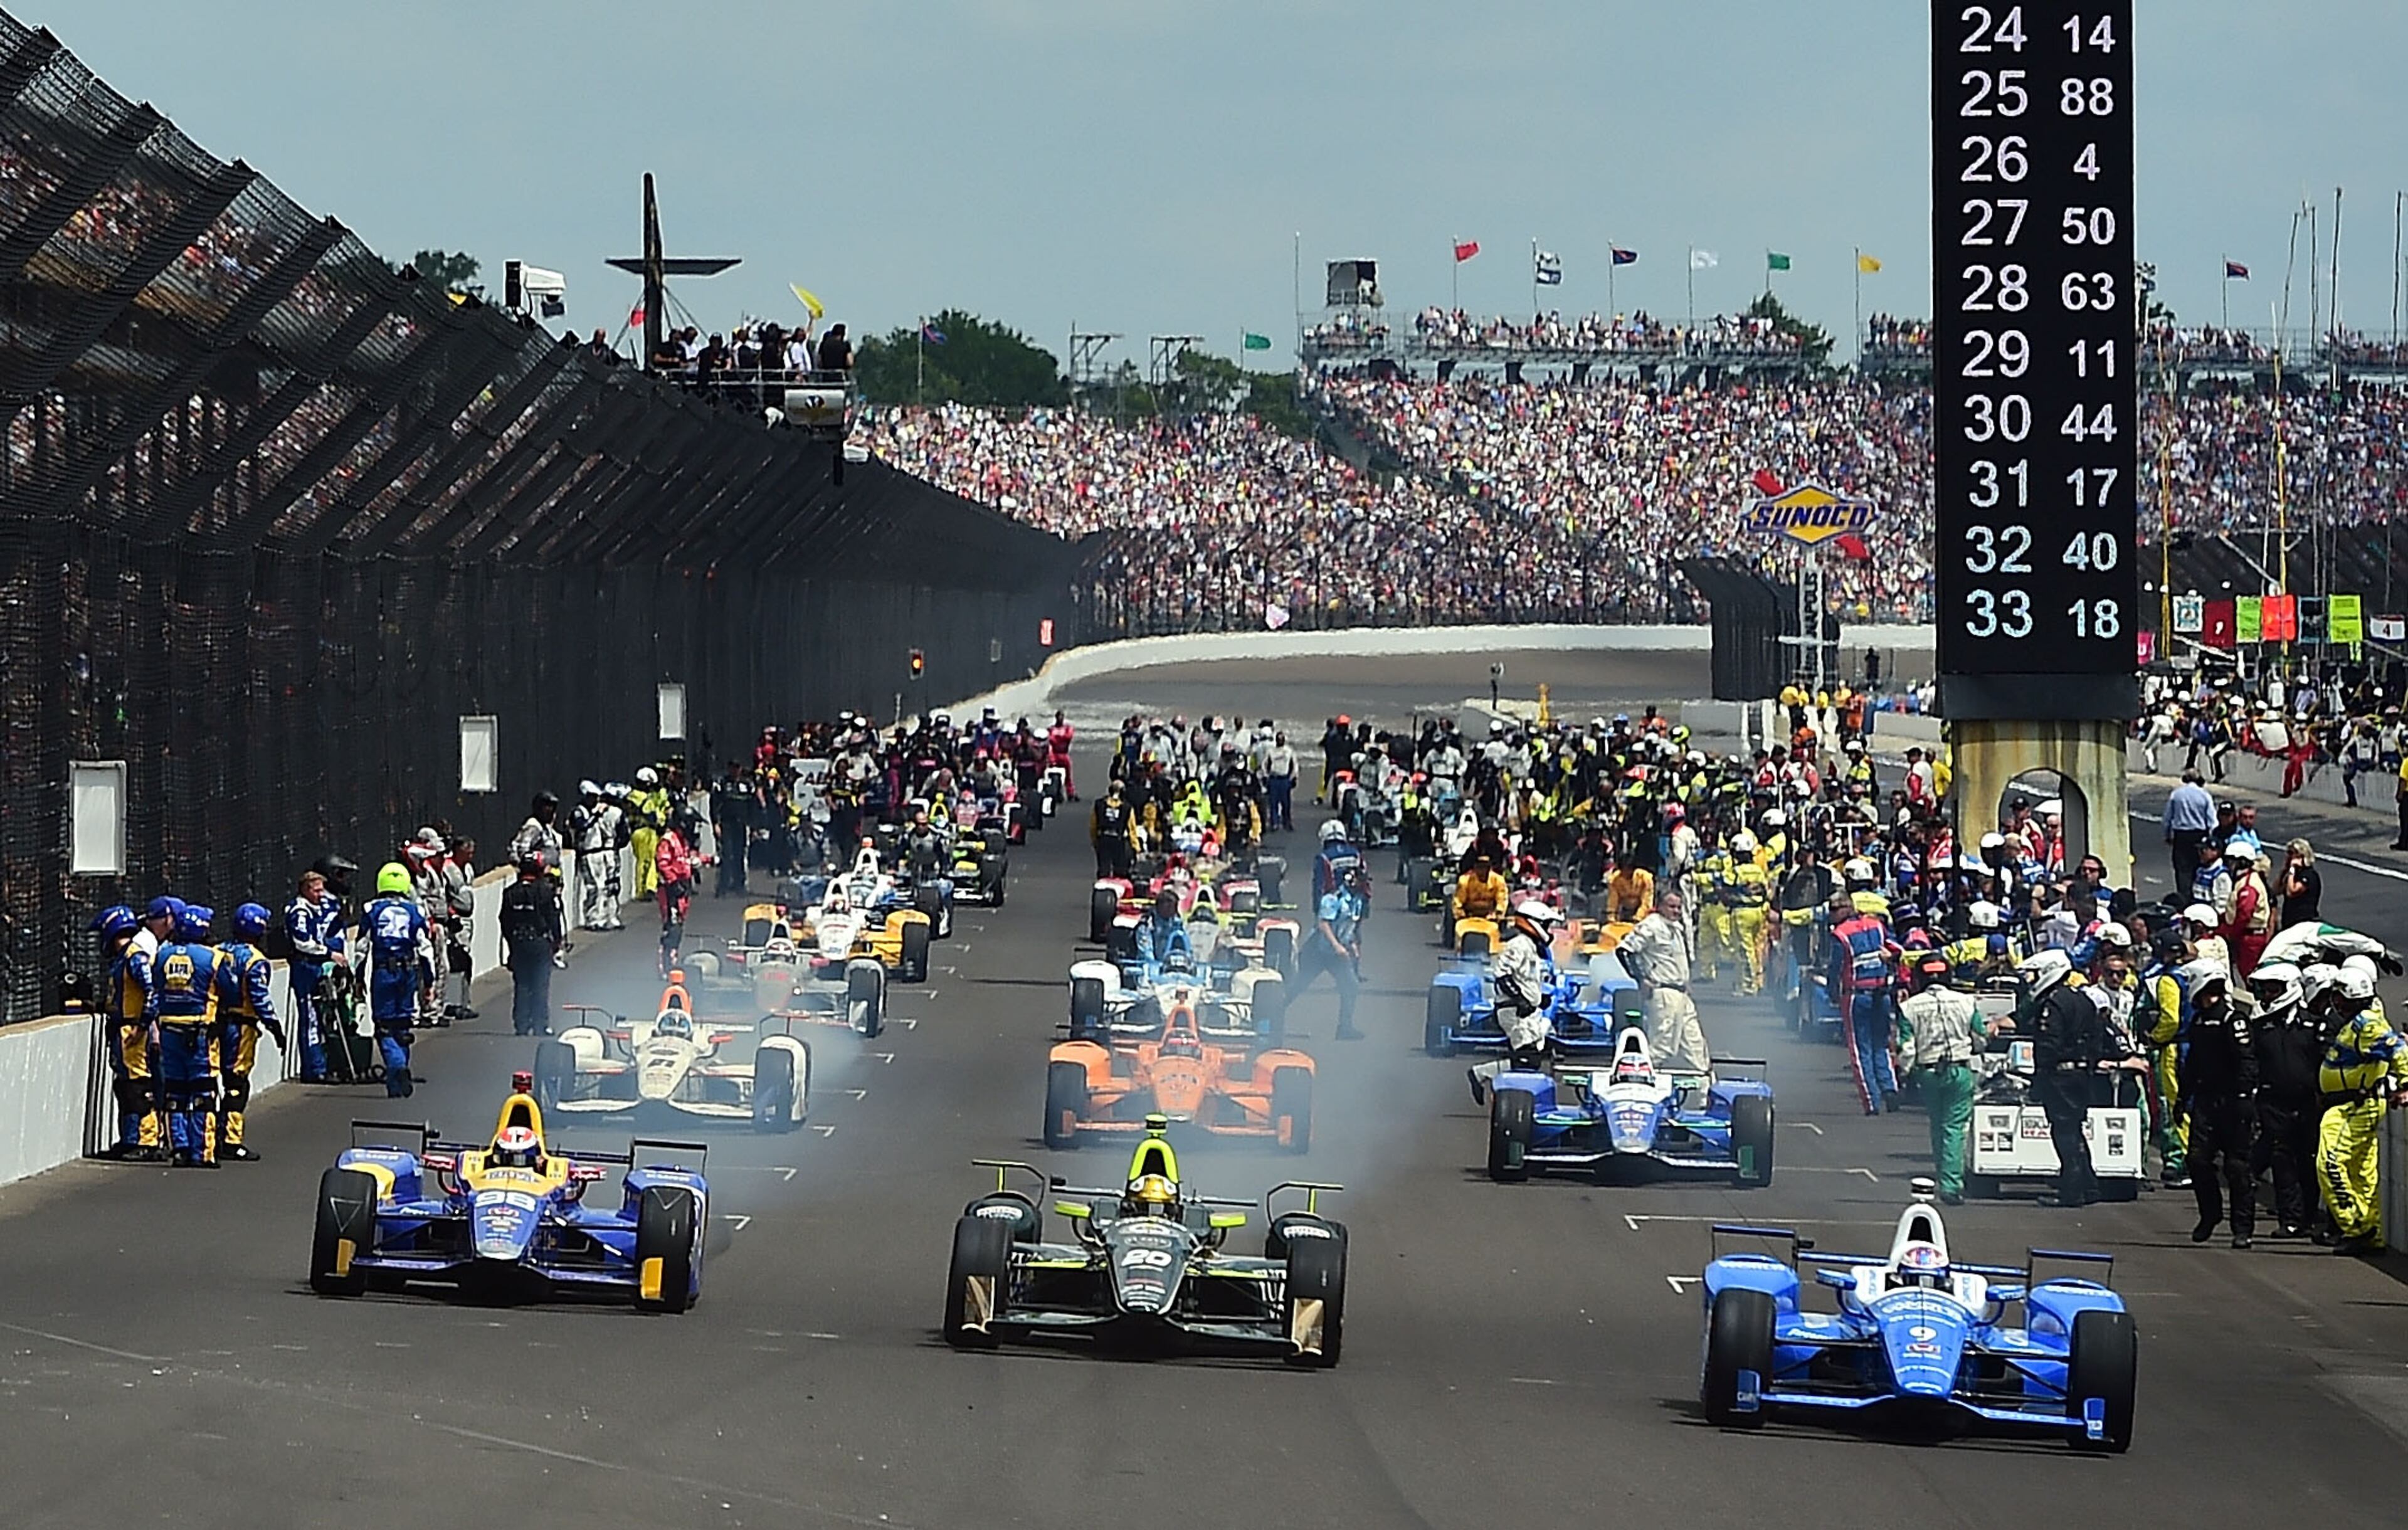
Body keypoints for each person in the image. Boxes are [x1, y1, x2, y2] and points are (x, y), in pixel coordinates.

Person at [2314, 963, 2405, 1255]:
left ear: (2350, 996)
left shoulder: (2368, 1025)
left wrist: (2405, 1085)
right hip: (2353, 1103)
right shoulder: (2361, 1022)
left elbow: (2399, 1051)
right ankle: (2371, 1231)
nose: (2334, 1002)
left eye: (2338, 997)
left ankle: (2355, 1226)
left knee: (2329, 1163)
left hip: (2353, 1106)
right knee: (2361, 1174)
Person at [1899, 947, 1993, 1204]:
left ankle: (1945, 1176)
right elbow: (1980, 1038)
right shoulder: (1966, 1002)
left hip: (1927, 1071)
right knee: (1954, 1127)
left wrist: (1904, 1075)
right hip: (1959, 1069)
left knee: (1937, 1124)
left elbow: (1907, 1048)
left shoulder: (1909, 1007)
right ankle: (1951, 1185)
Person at [2174, 962, 2256, 1248]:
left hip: (2234, 1103)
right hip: (2206, 1102)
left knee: (2237, 1167)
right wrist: (2183, 1098)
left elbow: (2247, 1061)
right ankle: (2210, 1214)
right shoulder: (2198, 1022)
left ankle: (2242, 1228)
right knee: (2196, 1160)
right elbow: (2192, 1065)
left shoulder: (2233, 1020)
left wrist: (2245, 1098)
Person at [2025, 947, 2106, 1208]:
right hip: (2082, 1073)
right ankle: (2089, 1184)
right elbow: (2098, 1037)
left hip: (2060, 1075)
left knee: (2064, 1131)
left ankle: (2072, 1190)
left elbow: (2048, 1044)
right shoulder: (2083, 1000)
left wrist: (2040, 1078)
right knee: (2075, 1128)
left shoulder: (2054, 1003)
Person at [147, 904, 226, 1168]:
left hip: (169, 1031)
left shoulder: (161, 955)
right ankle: (202, 1151)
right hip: (201, 1035)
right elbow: (230, 990)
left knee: (176, 1092)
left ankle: (178, 1148)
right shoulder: (212, 957)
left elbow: (155, 988)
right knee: (204, 1092)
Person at [2249, 962, 2320, 1239]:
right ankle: (2289, 1219)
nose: (2267, 996)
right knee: (2282, 1161)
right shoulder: (2260, 1027)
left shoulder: (2313, 1025)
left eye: (2272, 990)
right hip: (2272, 1102)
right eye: (2264, 990)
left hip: (2307, 1104)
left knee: (2309, 1161)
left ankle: (2309, 1218)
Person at [1466, 900, 1561, 1104]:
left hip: (1527, 1012)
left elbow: (1524, 980)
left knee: (1532, 1060)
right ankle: (1481, 1075)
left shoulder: (1531, 948)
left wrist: (1538, 999)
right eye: (1546, 924)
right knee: (1527, 1059)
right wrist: (1520, 1001)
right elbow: (1502, 976)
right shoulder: (1518, 945)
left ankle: (1485, 1077)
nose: (1548, 930)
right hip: (1513, 1011)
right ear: (1535, 923)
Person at [213, 904, 286, 1162]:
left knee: (210, 1081)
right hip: (241, 1027)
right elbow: (260, 999)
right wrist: (276, 1028)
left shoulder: (216, 951)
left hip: (214, 1024)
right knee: (237, 1083)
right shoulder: (255, 961)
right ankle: (231, 1140)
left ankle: (208, 1136)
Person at [94, 904, 161, 1161]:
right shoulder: (123, 958)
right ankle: (130, 1138)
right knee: (124, 1086)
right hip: (121, 1027)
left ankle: (148, 1140)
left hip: (131, 1030)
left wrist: (142, 1026)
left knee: (137, 1084)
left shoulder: (135, 957)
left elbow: (151, 993)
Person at [1620, 887, 1708, 1074]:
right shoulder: (1651, 926)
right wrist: (1640, 979)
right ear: (1659, 906)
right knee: (1662, 1048)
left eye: (1679, 907)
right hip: (1663, 994)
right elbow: (1624, 951)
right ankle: (1634, 1079)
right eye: (1671, 907)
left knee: (1696, 1048)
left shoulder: (1677, 928)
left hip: (1682, 995)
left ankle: (1706, 1095)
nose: (1676, 911)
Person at [1829, 891, 1901, 1114]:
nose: (1830, 915)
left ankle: (1871, 1102)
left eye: (1833, 910)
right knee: (1881, 1045)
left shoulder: (1840, 934)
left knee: (1861, 1050)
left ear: (1844, 909)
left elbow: (1835, 968)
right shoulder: (1876, 925)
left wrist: (1833, 993)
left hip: (1857, 995)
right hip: (1881, 992)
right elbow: (1896, 950)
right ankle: (1890, 1090)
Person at [363, 863, 428, 1098]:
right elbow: (426, 949)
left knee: (384, 1026)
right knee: (403, 1025)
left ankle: (398, 1067)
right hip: (407, 971)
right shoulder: (415, 911)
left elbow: (362, 948)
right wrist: (428, 981)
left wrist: (358, 977)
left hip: (383, 972)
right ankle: (396, 1083)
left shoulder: (371, 909)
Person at [285, 868, 348, 1081]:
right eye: (316, 891)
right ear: (305, 890)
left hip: (319, 967)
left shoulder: (320, 907)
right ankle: (314, 1069)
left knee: (323, 1017)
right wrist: (329, 954)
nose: (321, 895)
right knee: (310, 1018)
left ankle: (326, 1062)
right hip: (305, 967)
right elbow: (302, 942)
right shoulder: (299, 911)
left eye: (322, 890)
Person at [1297, 863, 1367, 1040]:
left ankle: (1344, 1028)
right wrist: (1336, 945)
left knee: (1351, 986)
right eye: (1360, 880)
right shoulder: (1333, 899)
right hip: (1318, 951)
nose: (1364, 884)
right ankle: (1273, 1018)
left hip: (1337, 954)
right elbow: (1323, 924)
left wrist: (1351, 944)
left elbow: (1350, 925)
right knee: (1298, 986)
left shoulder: (1358, 900)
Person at [500, 851, 566, 1036]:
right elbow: (553, 918)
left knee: (522, 984)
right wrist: (557, 942)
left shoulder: (510, 893)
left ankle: (521, 1024)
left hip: (518, 942)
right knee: (540, 984)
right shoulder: (544, 891)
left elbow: (504, 921)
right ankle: (540, 1024)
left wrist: (512, 941)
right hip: (539, 942)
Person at [573, 781, 624, 929]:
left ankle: (608, 916)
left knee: (607, 886)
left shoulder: (599, 811)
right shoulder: (579, 812)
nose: (596, 801)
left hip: (600, 852)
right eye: (592, 797)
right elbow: (583, 826)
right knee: (594, 887)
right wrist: (596, 815)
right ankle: (593, 918)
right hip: (587, 853)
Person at [2163, 768, 2215, 894]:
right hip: (2199, 835)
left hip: (2181, 836)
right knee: (2199, 867)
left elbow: (2167, 818)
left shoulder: (2177, 794)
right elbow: (2212, 821)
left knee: (2182, 870)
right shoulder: (2204, 795)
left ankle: (2183, 896)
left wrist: (2167, 835)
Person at [628, 770, 668, 900]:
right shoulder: (639, 796)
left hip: (648, 831)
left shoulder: (637, 796)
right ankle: (642, 890)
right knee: (644, 861)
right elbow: (651, 813)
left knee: (650, 860)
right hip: (643, 830)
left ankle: (650, 886)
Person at [1135, 889, 1192, 971]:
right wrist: (1155, 969)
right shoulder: (1147, 925)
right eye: (1170, 906)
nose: (1173, 909)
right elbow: (1146, 953)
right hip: (1149, 970)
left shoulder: (1177, 922)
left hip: (1173, 967)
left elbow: (1186, 947)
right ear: (1161, 906)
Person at [1091, 780, 1133, 878]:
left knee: (1103, 870)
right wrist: (1136, 848)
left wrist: (1095, 841)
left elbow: (1093, 825)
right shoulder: (1127, 808)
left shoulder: (1099, 804)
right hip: (1118, 840)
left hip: (1103, 839)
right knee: (1120, 871)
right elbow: (1132, 829)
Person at [2279, 838, 2321, 927]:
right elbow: (2276, 890)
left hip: (2303, 922)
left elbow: (2292, 892)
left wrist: (2292, 870)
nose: (2291, 858)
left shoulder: (2309, 875)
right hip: (2289, 921)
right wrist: (2284, 871)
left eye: (2294, 854)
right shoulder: (2293, 876)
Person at [1264, 731, 1297, 831]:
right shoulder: (1271, 751)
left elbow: (1294, 765)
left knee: (1286, 803)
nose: (1280, 741)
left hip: (1285, 779)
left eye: (1282, 739)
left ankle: (1287, 822)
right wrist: (1266, 777)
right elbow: (1265, 765)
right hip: (1274, 779)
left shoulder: (1289, 751)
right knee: (1273, 803)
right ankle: (1274, 823)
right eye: (1278, 739)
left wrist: (1294, 777)